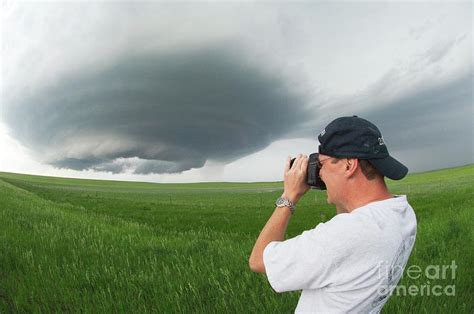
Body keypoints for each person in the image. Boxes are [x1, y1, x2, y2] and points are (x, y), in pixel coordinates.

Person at [249, 116, 417, 313]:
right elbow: (351, 220)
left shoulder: (344, 236)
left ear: (348, 165)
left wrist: (289, 196)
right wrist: (338, 188)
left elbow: (259, 260)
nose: (320, 173)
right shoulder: (402, 213)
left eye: (323, 164)